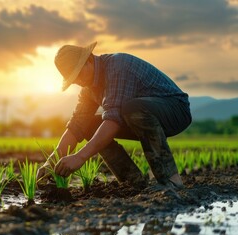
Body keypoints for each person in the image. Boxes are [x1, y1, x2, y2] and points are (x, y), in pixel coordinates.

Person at [36, 41, 192, 190]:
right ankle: (133, 181)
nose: (78, 81)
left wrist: (80, 157)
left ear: (89, 60)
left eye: (78, 73)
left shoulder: (117, 67)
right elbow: (76, 125)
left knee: (132, 108)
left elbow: (113, 121)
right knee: (88, 125)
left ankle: (171, 180)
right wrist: (50, 163)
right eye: (73, 79)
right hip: (142, 115)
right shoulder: (89, 88)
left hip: (175, 109)